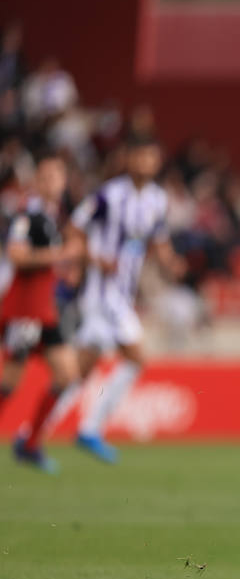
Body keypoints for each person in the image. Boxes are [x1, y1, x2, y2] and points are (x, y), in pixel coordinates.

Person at [55, 133, 184, 462]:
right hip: (101, 292)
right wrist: (96, 259)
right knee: (137, 358)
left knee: (81, 369)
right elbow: (74, 229)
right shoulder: (109, 195)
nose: (145, 163)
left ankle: (35, 432)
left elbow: (158, 239)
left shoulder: (157, 199)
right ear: (128, 159)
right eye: (139, 156)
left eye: (150, 157)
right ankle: (89, 429)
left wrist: (170, 261)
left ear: (157, 161)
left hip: (123, 293)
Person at [0, 151, 79, 472]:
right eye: (45, 177)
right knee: (9, 383)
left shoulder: (51, 216)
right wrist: (59, 255)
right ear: (37, 181)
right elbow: (17, 255)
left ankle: (31, 444)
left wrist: (64, 266)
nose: (51, 183)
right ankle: (30, 444)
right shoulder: (27, 216)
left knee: (67, 375)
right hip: (23, 309)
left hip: (44, 310)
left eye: (56, 177)